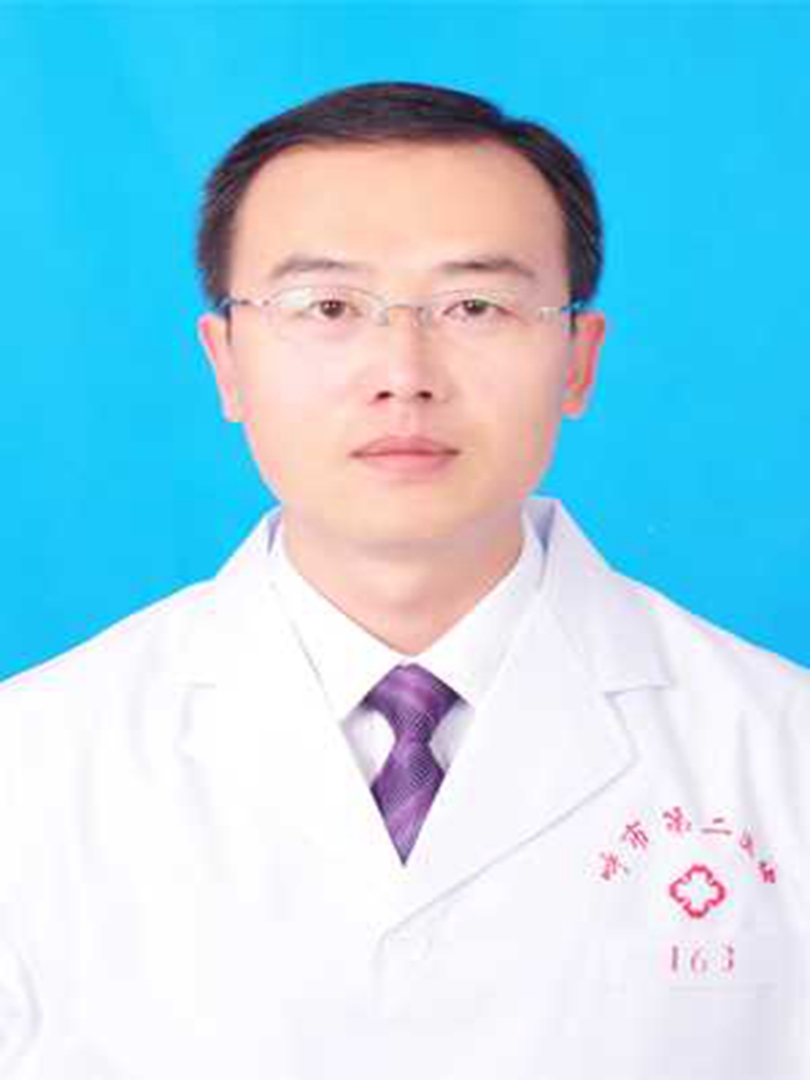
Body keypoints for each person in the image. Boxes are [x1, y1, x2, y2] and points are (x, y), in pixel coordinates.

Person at [0, 80, 807, 1080]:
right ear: (227, 362)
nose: (404, 372)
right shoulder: (29, 766)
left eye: (474, 306)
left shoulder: (782, 753)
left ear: (577, 359)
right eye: (328, 307)